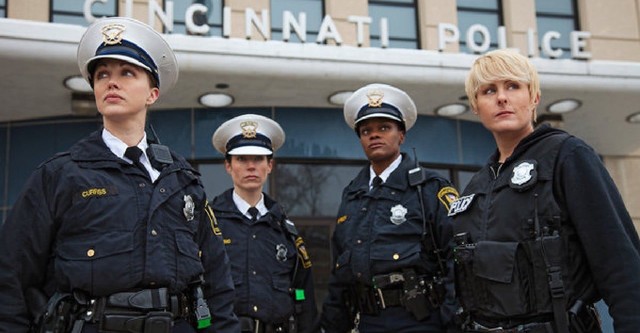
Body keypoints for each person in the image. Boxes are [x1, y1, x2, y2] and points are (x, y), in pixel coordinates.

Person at [0, 17, 239, 333]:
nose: (111, 82)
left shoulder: (182, 180)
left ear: (152, 93)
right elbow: (12, 277)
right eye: (102, 75)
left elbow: (217, 282)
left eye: (127, 73)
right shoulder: (60, 175)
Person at [450, 49, 640, 333]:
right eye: (488, 90)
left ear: (534, 97)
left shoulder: (568, 155)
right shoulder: (477, 185)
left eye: (513, 86)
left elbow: (620, 265)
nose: (502, 97)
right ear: (476, 106)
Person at [320, 83, 460, 332]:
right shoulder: (353, 194)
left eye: (384, 128)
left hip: (420, 320)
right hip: (368, 320)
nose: (374, 135)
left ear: (401, 135)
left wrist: (452, 321)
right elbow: (340, 273)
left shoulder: (429, 186)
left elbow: (457, 258)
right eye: (366, 131)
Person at [210, 114, 319, 333]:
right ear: (228, 166)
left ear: (270, 166)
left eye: (258, 158)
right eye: (241, 159)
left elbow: (303, 293)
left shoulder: (285, 230)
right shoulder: (209, 224)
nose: (251, 166)